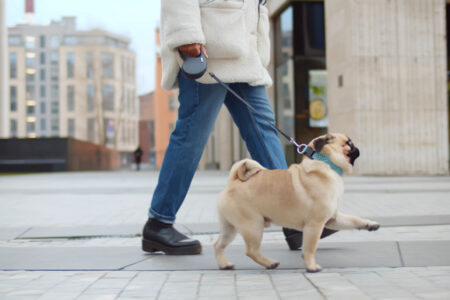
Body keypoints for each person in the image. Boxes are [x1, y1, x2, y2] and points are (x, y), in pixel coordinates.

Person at [142, 0, 317, 255]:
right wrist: (186, 33)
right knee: (192, 136)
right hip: (210, 48)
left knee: (264, 129)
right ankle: (159, 222)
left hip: (243, 51)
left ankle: (294, 220)